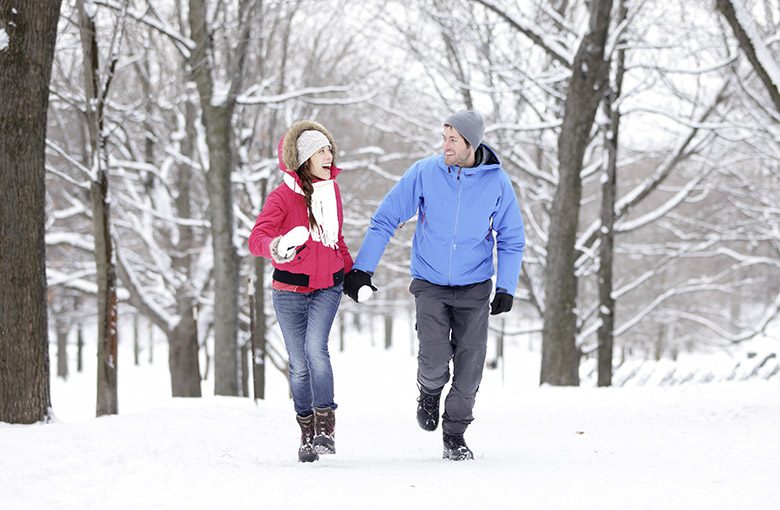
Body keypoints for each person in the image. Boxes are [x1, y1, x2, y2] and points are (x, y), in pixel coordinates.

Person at [343, 110, 525, 461]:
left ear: (471, 143)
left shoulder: (497, 182)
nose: (445, 146)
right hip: (430, 282)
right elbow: (387, 218)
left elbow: (512, 238)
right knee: (434, 357)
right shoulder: (426, 172)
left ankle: (454, 435)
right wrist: (362, 269)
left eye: (452, 139)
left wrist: (506, 287)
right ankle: (428, 391)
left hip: (474, 286)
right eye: (443, 138)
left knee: (471, 364)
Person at [248, 120, 353, 463]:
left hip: (327, 287)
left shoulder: (331, 192)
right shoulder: (282, 198)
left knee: (315, 350)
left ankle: (326, 427)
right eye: (321, 151)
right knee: (299, 366)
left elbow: (335, 240)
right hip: (289, 291)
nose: (329, 155)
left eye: (330, 149)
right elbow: (256, 238)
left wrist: (353, 275)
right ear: (305, 159)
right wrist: (276, 246)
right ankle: (306, 432)